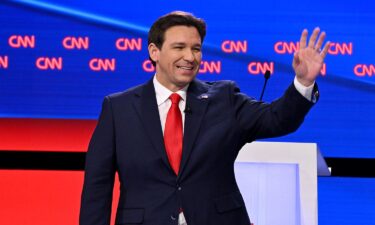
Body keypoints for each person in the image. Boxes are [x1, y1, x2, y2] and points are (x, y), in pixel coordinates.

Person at [80, 11, 329, 225]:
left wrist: (303, 83)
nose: (190, 57)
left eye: (196, 48)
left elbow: (278, 119)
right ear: (154, 52)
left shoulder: (224, 98)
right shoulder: (118, 108)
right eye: (179, 47)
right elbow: (97, 187)